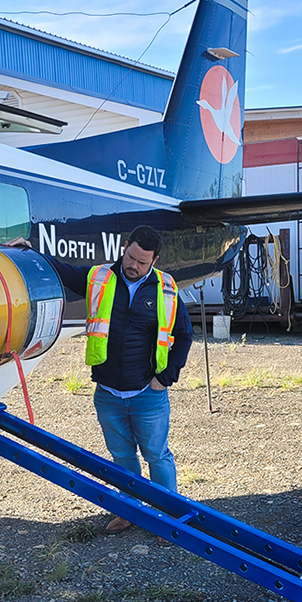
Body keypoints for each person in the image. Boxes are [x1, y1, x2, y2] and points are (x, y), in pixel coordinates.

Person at [43, 226, 193, 535]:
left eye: (142, 262)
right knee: (122, 456)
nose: (134, 265)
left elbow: (185, 335)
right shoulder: (99, 278)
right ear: (124, 247)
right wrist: (30, 252)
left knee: (156, 455)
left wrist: (164, 379)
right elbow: (62, 270)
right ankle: (128, 510)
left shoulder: (165, 289)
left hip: (147, 394)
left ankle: (171, 518)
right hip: (108, 393)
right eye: (131, 256)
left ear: (154, 261)